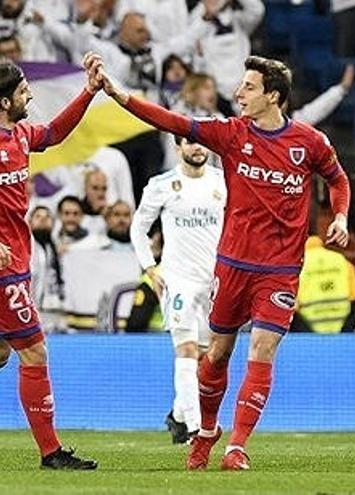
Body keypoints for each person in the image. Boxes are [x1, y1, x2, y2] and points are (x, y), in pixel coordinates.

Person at [86, 52, 351, 471]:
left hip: (281, 269)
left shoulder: (310, 143)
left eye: (248, 87)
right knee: (217, 356)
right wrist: (119, 94)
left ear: (273, 96)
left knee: (262, 350)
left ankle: (237, 447)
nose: (237, 93)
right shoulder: (230, 134)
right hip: (231, 265)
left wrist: (340, 215)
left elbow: (337, 179)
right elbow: (172, 122)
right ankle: (207, 430)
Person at [0, 57, 98, 469]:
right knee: (35, 352)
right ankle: (50, 452)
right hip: (3, 266)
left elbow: (55, 132)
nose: (30, 96)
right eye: (24, 92)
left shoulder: (20, 136)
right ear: (4, 101)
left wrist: (89, 92)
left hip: (18, 259)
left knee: (3, 352)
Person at [130, 135, 226, 444]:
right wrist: (149, 267)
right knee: (185, 349)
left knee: (206, 357)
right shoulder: (162, 184)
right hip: (177, 279)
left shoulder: (224, 182)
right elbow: (139, 226)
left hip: (214, 280)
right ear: (178, 147)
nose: (198, 148)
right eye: (190, 143)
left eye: (201, 143)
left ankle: (178, 414)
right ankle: (196, 430)